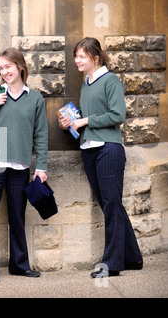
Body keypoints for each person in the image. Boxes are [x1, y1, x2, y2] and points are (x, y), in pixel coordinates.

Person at [58, 37, 143, 278]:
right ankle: (133, 258)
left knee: (111, 204)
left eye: (82, 56)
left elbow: (117, 115)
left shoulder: (111, 81)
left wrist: (84, 120)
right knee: (110, 204)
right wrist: (71, 121)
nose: (77, 60)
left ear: (96, 57)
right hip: (89, 149)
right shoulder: (87, 82)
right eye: (76, 56)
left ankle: (111, 264)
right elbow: (91, 114)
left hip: (109, 148)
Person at [0, 48, 48, 283]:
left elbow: (41, 135)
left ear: (20, 67)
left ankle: (19, 265)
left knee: (17, 216)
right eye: (1, 69)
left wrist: (41, 167)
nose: (4, 72)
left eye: (8, 67)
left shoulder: (35, 99)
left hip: (20, 167)